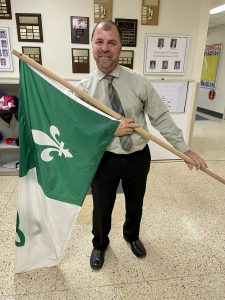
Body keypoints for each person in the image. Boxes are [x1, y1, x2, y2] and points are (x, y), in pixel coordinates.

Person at [76, 20, 208, 270]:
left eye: (112, 43)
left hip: (138, 156)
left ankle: (131, 236)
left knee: (135, 201)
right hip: (104, 159)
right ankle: (100, 244)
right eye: (100, 42)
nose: (105, 48)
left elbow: (161, 117)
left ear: (120, 48)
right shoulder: (83, 90)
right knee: (102, 206)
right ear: (92, 46)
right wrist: (110, 131)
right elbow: (79, 128)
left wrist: (183, 148)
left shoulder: (139, 82)